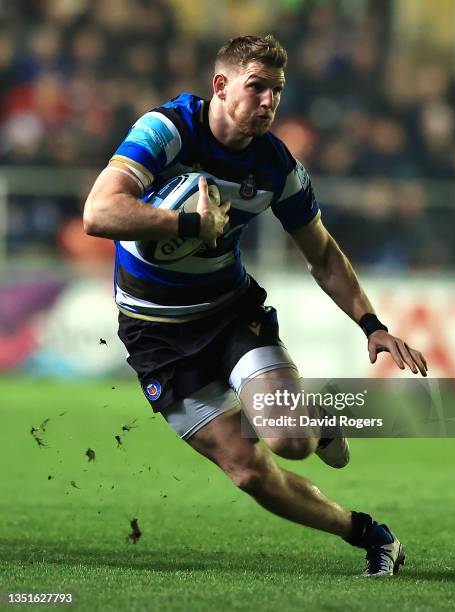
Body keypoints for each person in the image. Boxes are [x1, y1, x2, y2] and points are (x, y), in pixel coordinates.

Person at [83, 35, 428, 577]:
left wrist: (371, 324)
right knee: (247, 472)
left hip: (229, 313)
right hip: (155, 332)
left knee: (289, 440)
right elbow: (99, 213)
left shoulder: (276, 167)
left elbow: (323, 253)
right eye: (257, 88)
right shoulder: (168, 130)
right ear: (220, 86)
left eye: (277, 92)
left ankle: (317, 422)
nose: (269, 102)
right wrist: (190, 224)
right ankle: (371, 535)